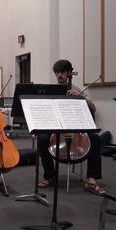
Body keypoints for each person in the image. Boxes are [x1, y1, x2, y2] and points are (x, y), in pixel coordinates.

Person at [37, 59, 105, 196]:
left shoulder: (77, 89)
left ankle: (92, 179)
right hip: (56, 124)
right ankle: (49, 175)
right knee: (42, 138)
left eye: (62, 72)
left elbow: (94, 109)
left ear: (69, 73)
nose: (59, 75)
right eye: (56, 73)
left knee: (96, 139)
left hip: (75, 125)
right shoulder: (52, 90)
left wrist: (81, 98)